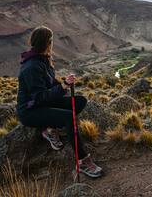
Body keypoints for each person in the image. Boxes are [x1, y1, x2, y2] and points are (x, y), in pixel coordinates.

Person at [17, 25, 103, 178]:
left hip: (42, 104)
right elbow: (40, 97)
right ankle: (82, 160)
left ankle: (50, 128)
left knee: (80, 101)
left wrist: (63, 83)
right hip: (30, 111)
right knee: (69, 117)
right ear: (47, 42)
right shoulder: (31, 66)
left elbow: (49, 83)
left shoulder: (42, 59)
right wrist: (64, 87)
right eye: (51, 41)